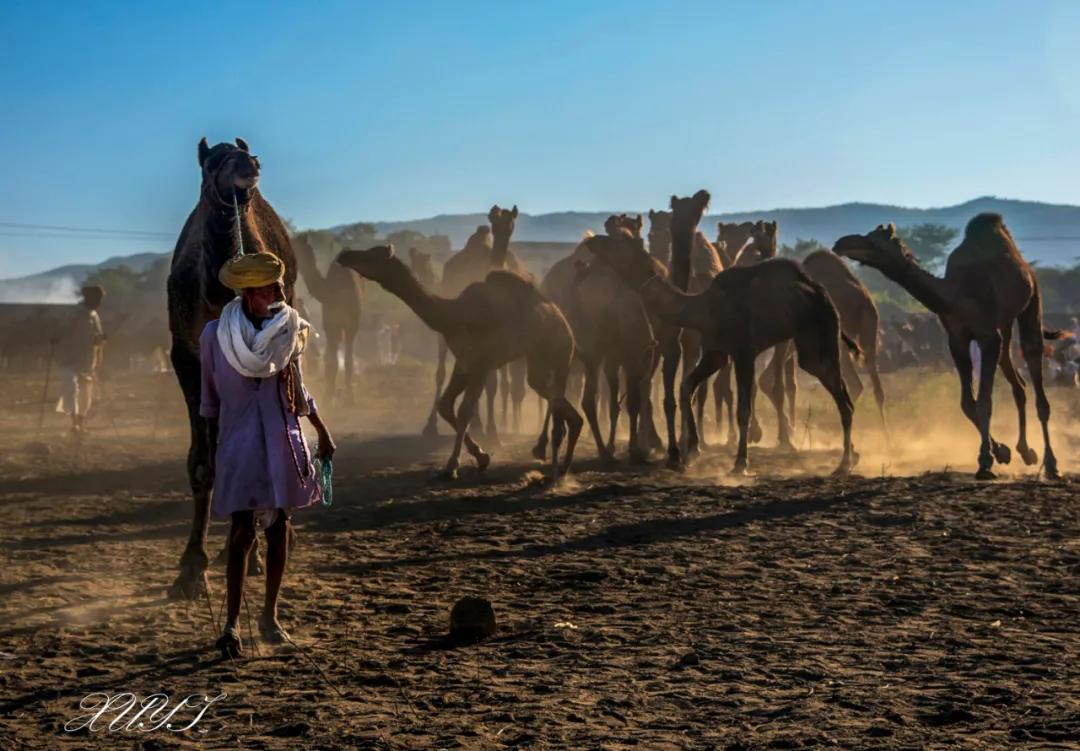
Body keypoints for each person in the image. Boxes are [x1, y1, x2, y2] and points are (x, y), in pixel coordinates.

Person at [199, 253, 335, 658]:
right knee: (240, 534)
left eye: (279, 287)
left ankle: (270, 617)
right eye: (270, 289)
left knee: (280, 529)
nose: (280, 294)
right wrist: (208, 455)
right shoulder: (214, 336)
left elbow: (298, 389)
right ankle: (231, 625)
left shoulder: (288, 330)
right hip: (238, 443)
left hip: (281, 438)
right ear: (247, 294)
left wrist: (322, 431)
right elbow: (209, 400)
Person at [56, 285, 107, 433]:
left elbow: (98, 337)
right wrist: (56, 337)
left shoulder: (95, 315)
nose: (99, 302)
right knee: (71, 388)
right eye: (97, 299)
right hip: (69, 357)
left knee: (86, 393)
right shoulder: (73, 313)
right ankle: (74, 422)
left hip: (88, 361)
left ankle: (80, 422)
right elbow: (63, 328)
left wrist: (101, 339)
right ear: (88, 297)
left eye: (100, 299)